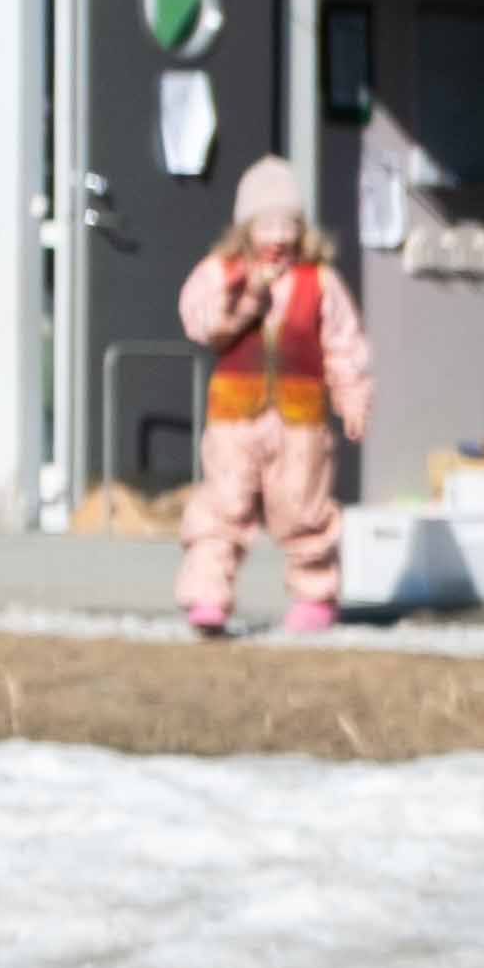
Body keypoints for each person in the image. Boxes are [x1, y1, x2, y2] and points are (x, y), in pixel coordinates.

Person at [173, 158, 368, 640]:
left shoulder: (319, 281)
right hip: (235, 417)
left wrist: (353, 396)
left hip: (300, 421)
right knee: (222, 506)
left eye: (288, 224)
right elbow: (200, 323)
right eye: (267, 224)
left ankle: (315, 596)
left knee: (304, 509)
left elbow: (344, 345)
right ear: (246, 227)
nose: (278, 236)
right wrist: (245, 298)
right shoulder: (222, 273)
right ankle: (207, 595)